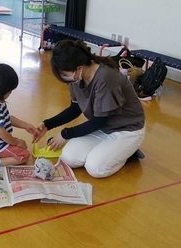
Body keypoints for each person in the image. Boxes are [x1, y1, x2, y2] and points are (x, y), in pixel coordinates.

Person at [33, 40, 145, 178]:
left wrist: (65, 134)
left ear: (79, 68)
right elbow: (75, 108)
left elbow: (99, 121)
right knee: (68, 158)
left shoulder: (105, 78)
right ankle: (114, 150)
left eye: (64, 73)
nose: (63, 77)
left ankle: (127, 153)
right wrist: (47, 124)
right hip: (102, 127)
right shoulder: (75, 78)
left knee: (95, 169)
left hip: (126, 129)